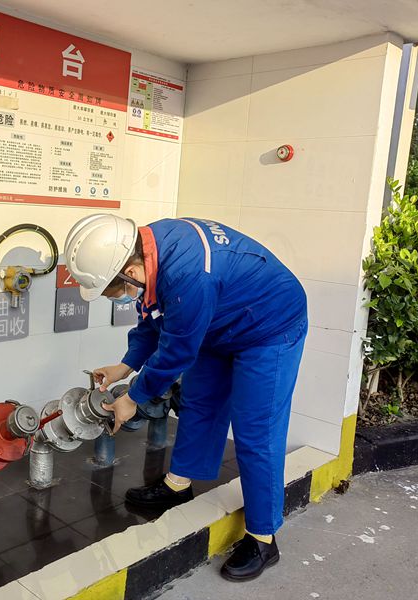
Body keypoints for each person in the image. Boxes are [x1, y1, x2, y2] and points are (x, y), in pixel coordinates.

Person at [63, 214, 307, 582]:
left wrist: (133, 398)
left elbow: (176, 351)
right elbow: (153, 317)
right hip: (220, 321)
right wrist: (124, 366)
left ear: (130, 270)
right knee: (199, 402)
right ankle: (177, 486)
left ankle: (263, 538)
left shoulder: (188, 274)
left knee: (256, 432)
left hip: (269, 327)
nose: (124, 297)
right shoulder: (150, 250)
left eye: (120, 292)